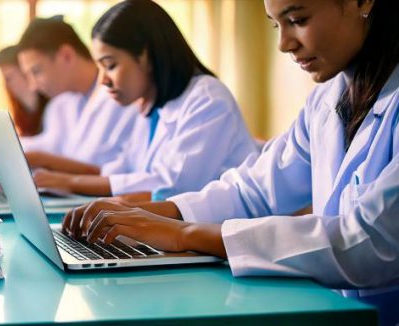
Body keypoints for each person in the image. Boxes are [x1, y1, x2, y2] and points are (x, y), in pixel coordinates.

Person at [63, 0, 399, 324]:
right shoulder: (327, 99)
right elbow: (253, 191)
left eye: (298, 20)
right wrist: (152, 215)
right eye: (275, 25)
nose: (283, 44)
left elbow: (370, 242)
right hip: (337, 308)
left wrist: (186, 234)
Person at [32, 0, 257, 201]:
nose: (103, 81)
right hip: (170, 231)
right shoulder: (151, 105)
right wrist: (59, 180)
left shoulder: (208, 100)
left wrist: (71, 182)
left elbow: (171, 188)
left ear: (146, 55)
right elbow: (122, 171)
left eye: (110, 65)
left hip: (217, 238)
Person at [16, 16, 138, 175]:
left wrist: (44, 161)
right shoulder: (64, 103)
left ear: (66, 56)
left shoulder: (123, 95)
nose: (33, 86)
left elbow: (120, 171)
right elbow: (51, 144)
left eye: (36, 71)